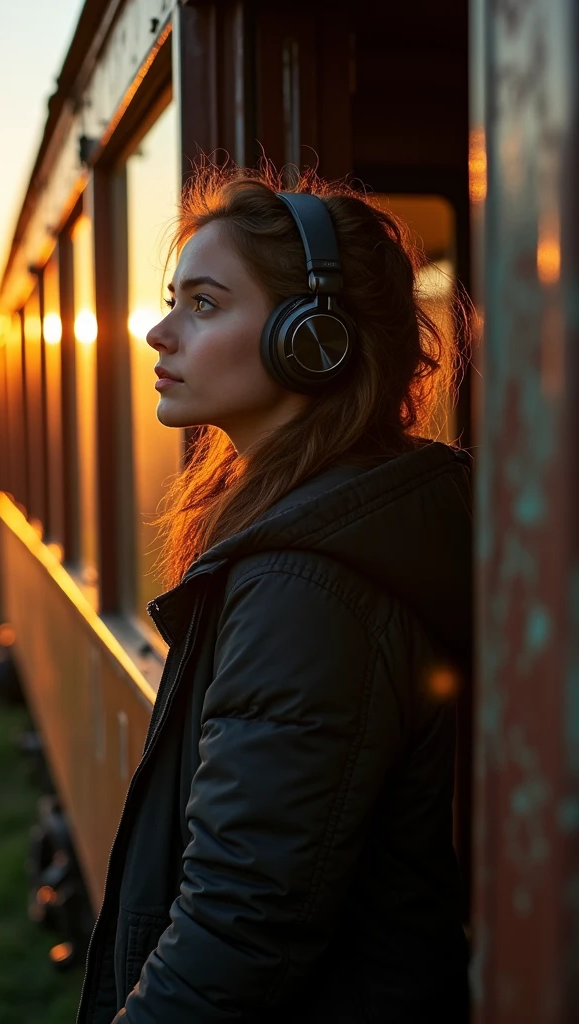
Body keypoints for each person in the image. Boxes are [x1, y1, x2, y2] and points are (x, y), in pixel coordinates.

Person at [76, 162, 472, 1024]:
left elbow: (238, 929)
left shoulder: (305, 586)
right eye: (174, 299)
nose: (159, 332)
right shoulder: (330, 524)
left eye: (204, 304)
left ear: (312, 338)